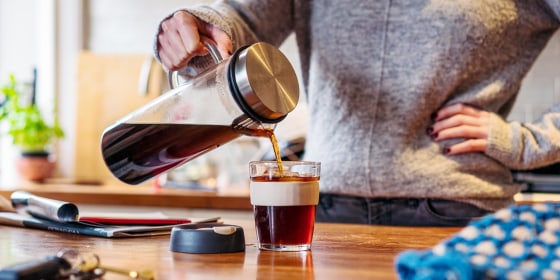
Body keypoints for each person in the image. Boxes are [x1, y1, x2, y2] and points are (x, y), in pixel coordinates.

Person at [154, 1, 560, 226]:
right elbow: (241, 20)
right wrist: (198, 31)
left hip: (455, 210)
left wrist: (527, 142)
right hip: (325, 208)